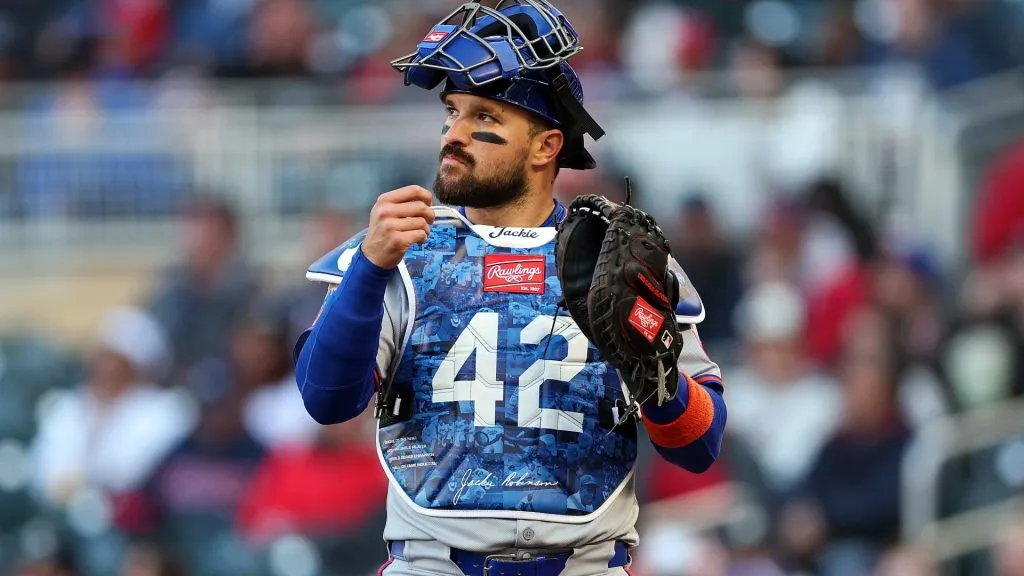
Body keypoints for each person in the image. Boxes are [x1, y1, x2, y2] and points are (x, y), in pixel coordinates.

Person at [293, 2, 727, 574]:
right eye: (451, 113)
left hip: (587, 564)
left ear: (547, 146)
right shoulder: (398, 248)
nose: (454, 134)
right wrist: (367, 271)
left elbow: (700, 447)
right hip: (433, 564)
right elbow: (326, 400)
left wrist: (658, 375)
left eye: (484, 118)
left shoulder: (619, 257)